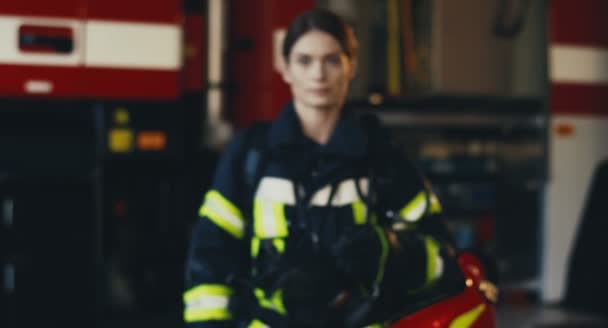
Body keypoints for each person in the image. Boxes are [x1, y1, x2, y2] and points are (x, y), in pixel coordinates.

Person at [183, 9, 458, 328]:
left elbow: (442, 256)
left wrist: (388, 252)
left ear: (351, 67)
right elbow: (210, 259)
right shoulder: (250, 155)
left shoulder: (381, 157)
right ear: (284, 68)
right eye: (304, 61)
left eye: (331, 60)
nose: (318, 75)